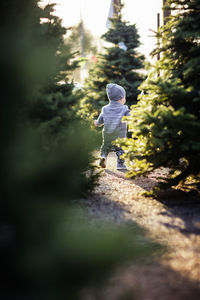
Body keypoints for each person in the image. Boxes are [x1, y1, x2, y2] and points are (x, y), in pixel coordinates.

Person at [94, 83, 130, 170]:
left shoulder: (105, 108)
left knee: (105, 147)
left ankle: (103, 157)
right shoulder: (124, 108)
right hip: (120, 135)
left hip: (107, 134)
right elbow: (130, 117)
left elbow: (100, 120)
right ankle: (120, 164)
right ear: (121, 98)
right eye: (124, 96)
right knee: (121, 149)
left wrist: (96, 123)